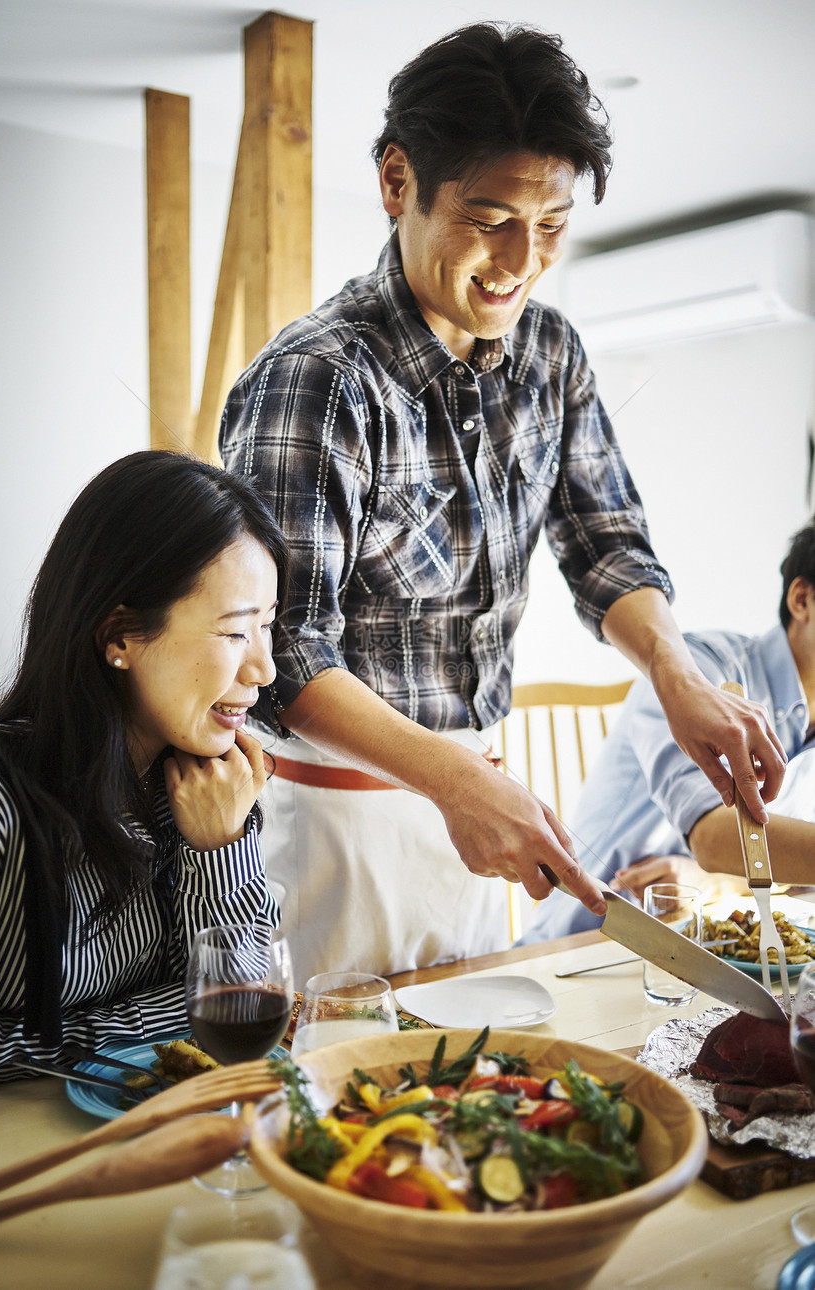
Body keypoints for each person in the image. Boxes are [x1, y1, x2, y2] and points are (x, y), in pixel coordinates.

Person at [219, 22, 785, 984]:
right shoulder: (318, 380)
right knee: (340, 1105)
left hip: (480, 799)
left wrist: (677, 674)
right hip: (332, 831)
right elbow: (280, 656)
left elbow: (607, 547)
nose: (522, 260)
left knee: (476, 1100)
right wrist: (454, 781)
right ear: (398, 182)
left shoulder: (550, 354)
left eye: (553, 226)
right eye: (489, 220)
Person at [0, 451, 287, 1091]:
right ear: (120, 636)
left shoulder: (204, 784)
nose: (264, 670)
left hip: (162, 1141)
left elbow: (241, 1007)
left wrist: (216, 848)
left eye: (268, 628)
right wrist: (151, 1021)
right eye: (235, 634)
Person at [520, 520, 815, 942]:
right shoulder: (692, 670)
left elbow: (784, 874)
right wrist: (715, 872)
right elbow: (714, 840)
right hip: (588, 947)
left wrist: (716, 882)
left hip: (711, 949)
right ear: (802, 599)